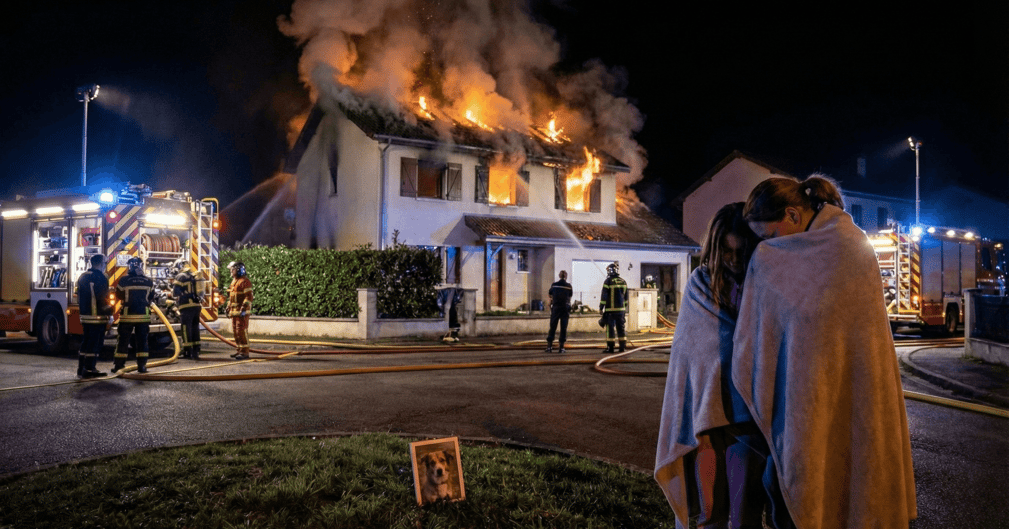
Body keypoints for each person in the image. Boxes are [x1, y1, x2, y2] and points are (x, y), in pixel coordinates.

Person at [732, 174, 917, 528]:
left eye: (769, 236)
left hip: (822, 403)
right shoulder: (849, 245)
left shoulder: (845, 248)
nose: (767, 247)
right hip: (805, 403)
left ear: (793, 215)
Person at [654, 203, 765, 529]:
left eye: (740, 251)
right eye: (726, 251)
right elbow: (695, 352)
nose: (733, 260)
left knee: (745, 515)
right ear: (715, 247)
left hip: (750, 421)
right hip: (704, 423)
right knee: (707, 514)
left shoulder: (765, 284)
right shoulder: (699, 284)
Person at [113, 257, 155, 374]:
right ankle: (142, 366)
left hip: (127, 316)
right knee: (142, 342)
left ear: (129, 266)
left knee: (123, 341)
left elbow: (119, 295)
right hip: (143, 316)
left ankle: (119, 366)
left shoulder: (124, 280)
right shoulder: (148, 281)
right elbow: (151, 297)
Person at [75, 253, 112, 378]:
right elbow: (103, 298)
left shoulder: (82, 277)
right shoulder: (101, 277)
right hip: (97, 316)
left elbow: (77, 294)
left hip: (85, 315)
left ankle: (81, 368)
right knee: (95, 343)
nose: (105, 266)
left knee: (86, 342)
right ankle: (90, 369)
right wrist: (109, 313)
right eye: (105, 263)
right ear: (101, 264)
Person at [172, 262, 203, 360]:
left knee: (186, 328)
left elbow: (175, 293)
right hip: (197, 305)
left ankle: (187, 350)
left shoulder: (180, 276)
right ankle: (196, 350)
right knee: (195, 327)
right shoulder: (193, 275)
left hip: (186, 306)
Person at [226, 261, 253, 360]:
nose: (231, 271)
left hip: (242, 312)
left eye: (232, 269)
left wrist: (244, 308)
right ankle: (239, 350)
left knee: (241, 331)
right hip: (234, 312)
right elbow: (232, 297)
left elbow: (249, 297)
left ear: (238, 270)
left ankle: (245, 352)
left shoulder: (245, 282)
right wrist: (228, 307)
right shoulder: (234, 281)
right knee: (236, 332)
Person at [599, 262, 628, 354]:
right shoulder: (623, 281)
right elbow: (626, 297)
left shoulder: (608, 281)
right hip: (621, 311)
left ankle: (610, 348)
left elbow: (604, 296)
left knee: (610, 329)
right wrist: (624, 308)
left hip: (610, 311)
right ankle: (622, 348)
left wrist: (601, 308)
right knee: (621, 328)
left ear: (610, 271)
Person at [545, 270, 572, 353]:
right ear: (566, 277)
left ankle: (549, 347)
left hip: (556, 308)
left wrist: (552, 300)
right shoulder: (569, 286)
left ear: (559, 276)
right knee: (563, 327)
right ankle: (561, 348)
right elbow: (570, 296)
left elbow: (550, 294)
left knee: (553, 327)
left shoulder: (554, 285)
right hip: (565, 308)